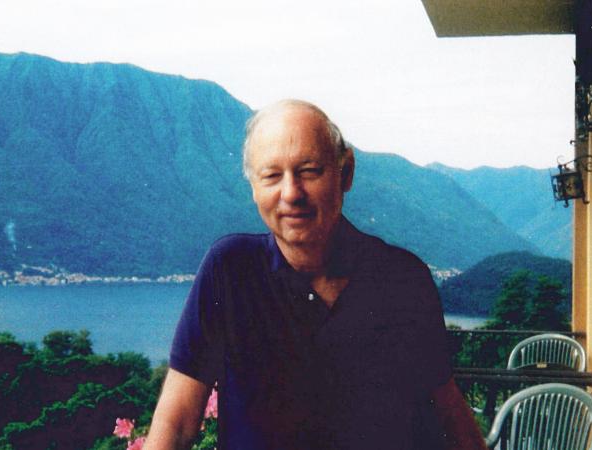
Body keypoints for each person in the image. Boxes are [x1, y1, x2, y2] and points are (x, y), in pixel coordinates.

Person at [144, 99, 487, 449]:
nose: (291, 193)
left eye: (309, 171)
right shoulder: (230, 271)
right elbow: (176, 422)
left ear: (346, 172)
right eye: (272, 176)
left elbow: (451, 419)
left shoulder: (403, 279)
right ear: (253, 188)